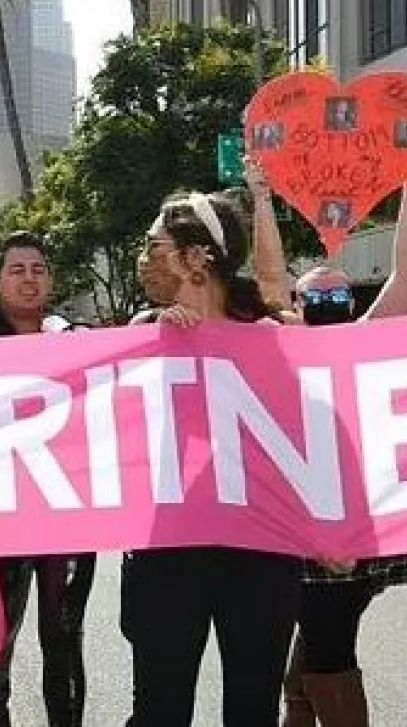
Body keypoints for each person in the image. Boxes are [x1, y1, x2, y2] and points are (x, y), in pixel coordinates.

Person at [248, 157, 407, 727]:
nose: (330, 307)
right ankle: (299, 715)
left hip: (355, 518)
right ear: (298, 308)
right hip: (298, 517)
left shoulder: (367, 342)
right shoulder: (286, 343)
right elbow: (271, 279)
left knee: (329, 642)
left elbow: (405, 281)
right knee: (318, 638)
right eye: (317, 299)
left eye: (340, 298)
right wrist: (260, 196)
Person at [122, 190, 303, 727]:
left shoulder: (270, 339)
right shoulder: (142, 334)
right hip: (166, 550)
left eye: (155, 246)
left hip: (261, 552)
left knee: (252, 710)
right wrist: (162, 345)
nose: (143, 258)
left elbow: (302, 438)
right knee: (159, 710)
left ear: (197, 257)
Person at [0, 231, 93, 727]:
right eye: (17, 270)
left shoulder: (78, 339)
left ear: (51, 279)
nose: (29, 280)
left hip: (66, 516)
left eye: (38, 270)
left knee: (64, 633)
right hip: (0, 517)